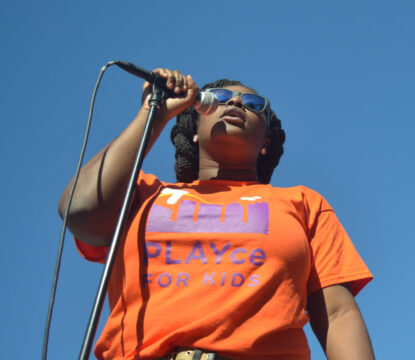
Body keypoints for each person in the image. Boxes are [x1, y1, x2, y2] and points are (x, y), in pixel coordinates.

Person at [58, 69, 374, 360]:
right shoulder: (141, 193)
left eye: (253, 103)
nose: (236, 101)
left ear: (265, 142)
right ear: (194, 129)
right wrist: (153, 115)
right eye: (220, 98)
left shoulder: (303, 203)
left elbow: (337, 314)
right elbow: (80, 209)